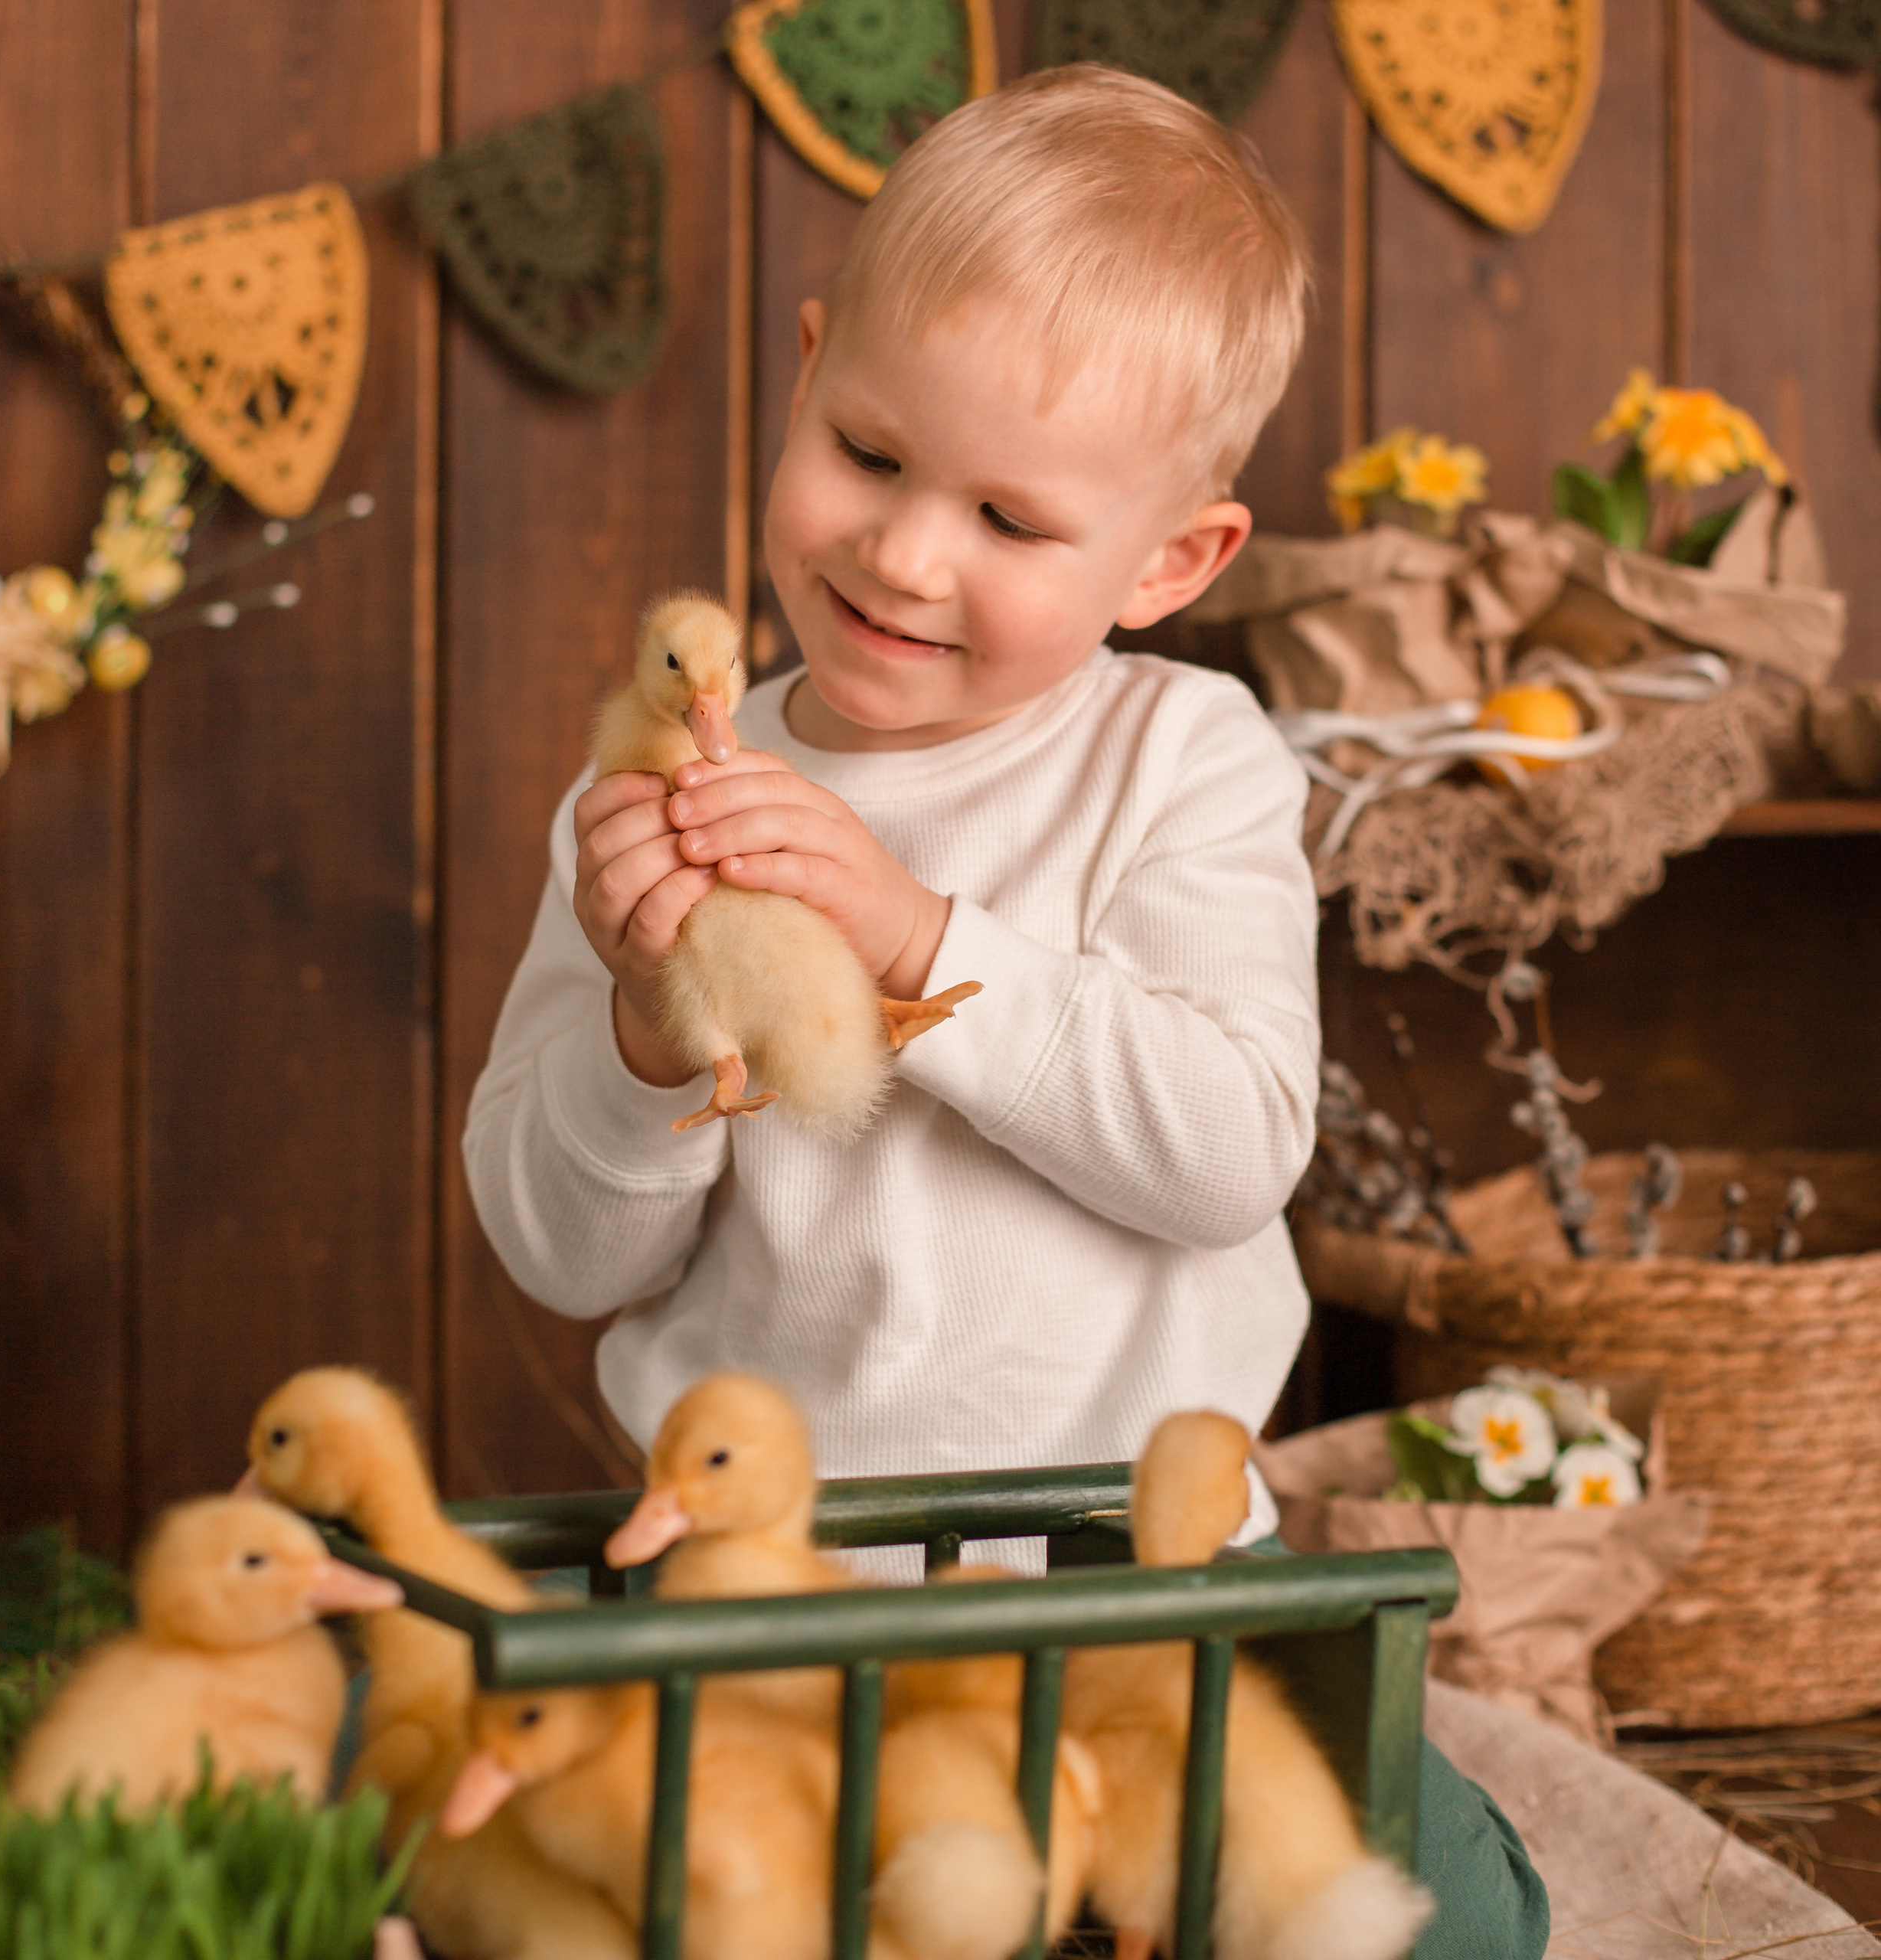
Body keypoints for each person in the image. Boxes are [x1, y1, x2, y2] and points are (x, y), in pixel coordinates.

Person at [466, 64, 1546, 1958]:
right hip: (761, 1596)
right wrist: (646, 1037)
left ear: (1166, 561)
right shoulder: (649, 793)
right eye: (868, 454)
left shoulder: (1179, 761)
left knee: (1436, 1909)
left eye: (1007, 518)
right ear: (802, 371)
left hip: (1132, 1579)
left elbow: (1222, 1151)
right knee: (598, 1880)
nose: (902, 552)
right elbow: (555, 1250)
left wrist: (912, 934)